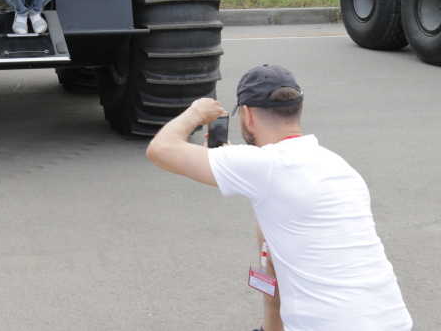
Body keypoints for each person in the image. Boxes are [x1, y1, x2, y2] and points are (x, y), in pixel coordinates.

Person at [146, 64, 413, 331]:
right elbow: (273, 245)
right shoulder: (339, 165)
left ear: (248, 115)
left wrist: (195, 112)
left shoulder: (263, 166)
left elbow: (160, 149)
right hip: (395, 321)